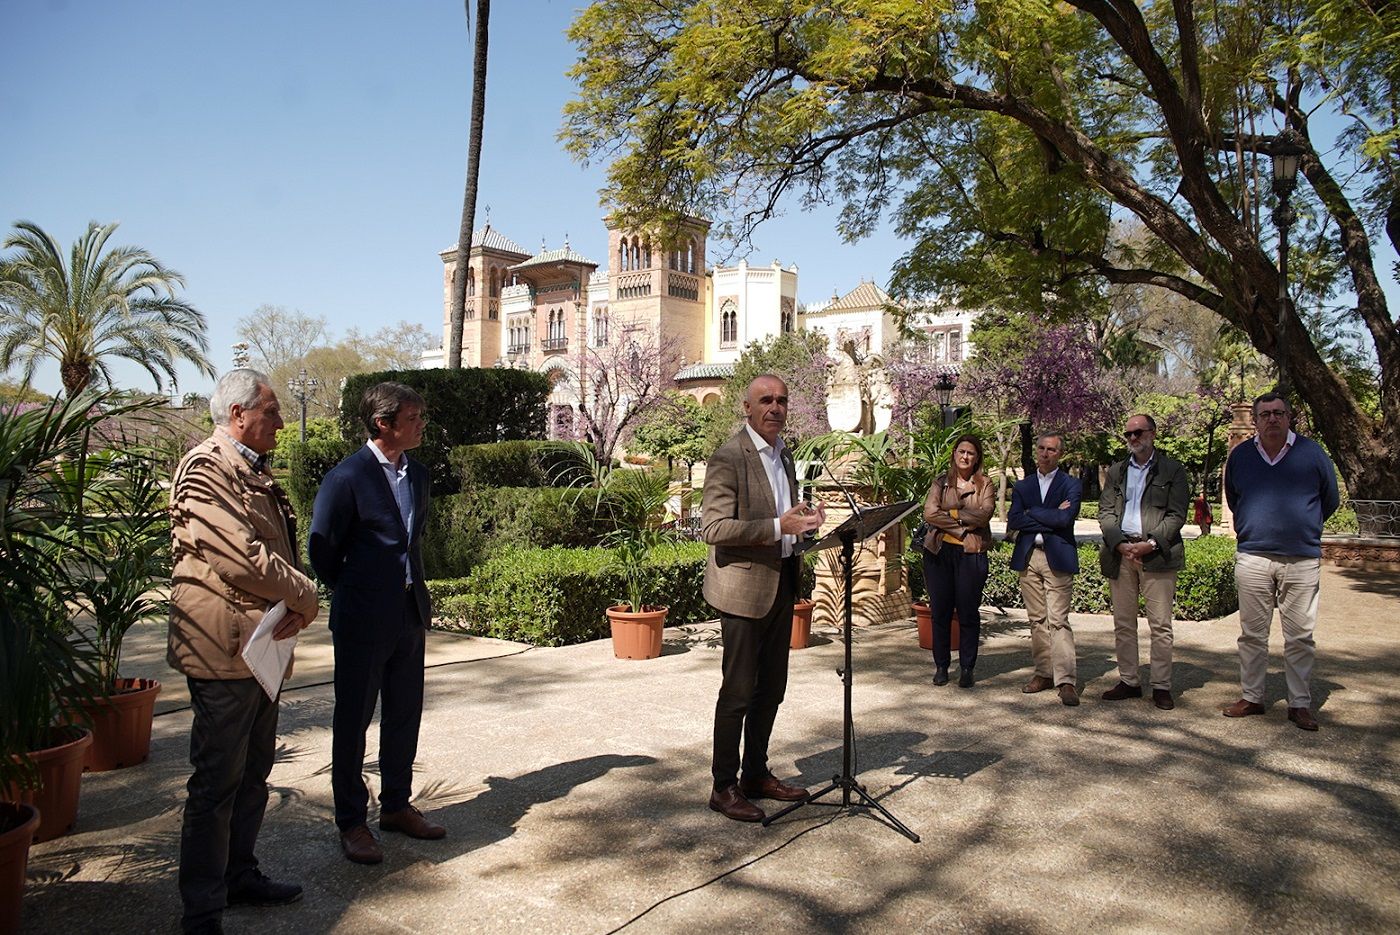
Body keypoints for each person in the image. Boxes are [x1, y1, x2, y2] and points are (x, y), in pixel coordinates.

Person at [168, 369, 319, 935]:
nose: (280, 422)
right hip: (222, 648)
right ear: (239, 415)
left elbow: (275, 552)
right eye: (272, 411)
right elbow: (242, 558)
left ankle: (239, 874)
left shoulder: (252, 471)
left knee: (253, 770)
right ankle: (202, 909)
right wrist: (305, 596)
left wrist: (297, 604)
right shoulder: (207, 468)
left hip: (258, 649)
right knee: (216, 780)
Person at [309, 382, 445, 863]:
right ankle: (351, 822)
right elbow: (322, 552)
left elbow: (413, 541)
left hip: (409, 615)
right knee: (353, 721)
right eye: (413, 417)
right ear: (383, 423)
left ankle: (396, 807)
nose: (421, 424)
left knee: (405, 714)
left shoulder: (419, 476)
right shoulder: (346, 478)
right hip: (362, 619)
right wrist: (360, 591)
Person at [702, 374, 826, 822]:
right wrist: (779, 527)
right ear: (747, 407)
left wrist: (805, 524)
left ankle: (755, 772)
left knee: (771, 689)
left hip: (782, 585)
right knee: (737, 692)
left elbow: (787, 520)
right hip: (742, 594)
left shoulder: (784, 455)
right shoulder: (728, 457)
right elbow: (714, 530)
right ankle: (723, 786)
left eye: (782, 401)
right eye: (766, 400)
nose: (775, 407)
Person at [1222, 391, 1339, 731]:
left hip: (1300, 559)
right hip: (1254, 556)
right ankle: (1252, 696)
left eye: (1278, 413)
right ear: (1256, 420)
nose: (1272, 419)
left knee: (1300, 636)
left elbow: (1328, 498)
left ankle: (1299, 703)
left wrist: (1305, 527)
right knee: (1252, 635)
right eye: (1265, 414)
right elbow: (1234, 497)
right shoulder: (1242, 456)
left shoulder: (1311, 453)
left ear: (1289, 418)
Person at [1097, 413, 1190, 710]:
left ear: (1153, 433)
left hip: (1158, 554)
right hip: (1121, 553)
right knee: (1123, 623)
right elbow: (1106, 512)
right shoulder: (1116, 471)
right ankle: (1129, 681)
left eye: (1138, 432)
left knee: (1160, 625)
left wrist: (1149, 544)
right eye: (1129, 434)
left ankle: (1161, 686)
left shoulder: (1172, 470)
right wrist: (1121, 544)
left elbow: (1177, 514)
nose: (1133, 438)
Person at [1007, 432, 1083, 706]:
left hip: (1057, 558)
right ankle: (1043, 673)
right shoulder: (1023, 486)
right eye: (1041, 448)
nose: (1045, 453)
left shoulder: (1070, 484)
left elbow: (1065, 518)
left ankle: (1065, 681)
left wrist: (1032, 513)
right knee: (1037, 620)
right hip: (1030, 559)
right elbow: (1014, 520)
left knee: (1058, 620)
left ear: (1059, 453)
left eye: (1051, 449)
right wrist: (1043, 515)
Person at [921, 433, 995, 688]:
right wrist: (962, 527)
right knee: (940, 612)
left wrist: (950, 513)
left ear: (977, 458)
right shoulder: (940, 482)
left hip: (971, 555)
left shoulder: (985, 485)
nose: (965, 456)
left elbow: (984, 515)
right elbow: (930, 513)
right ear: (954, 454)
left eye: (970, 453)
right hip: (939, 554)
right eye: (961, 451)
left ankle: (967, 667)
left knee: (968, 613)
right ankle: (941, 666)